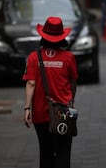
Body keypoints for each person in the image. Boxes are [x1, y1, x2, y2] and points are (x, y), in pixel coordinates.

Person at [23, 16, 78, 168]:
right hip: (63, 112)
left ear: (43, 36)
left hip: (41, 112)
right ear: (62, 37)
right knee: (63, 152)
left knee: (45, 152)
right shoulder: (69, 58)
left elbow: (31, 83)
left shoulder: (34, 58)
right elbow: (73, 83)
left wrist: (27, 108)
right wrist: (70, 101)